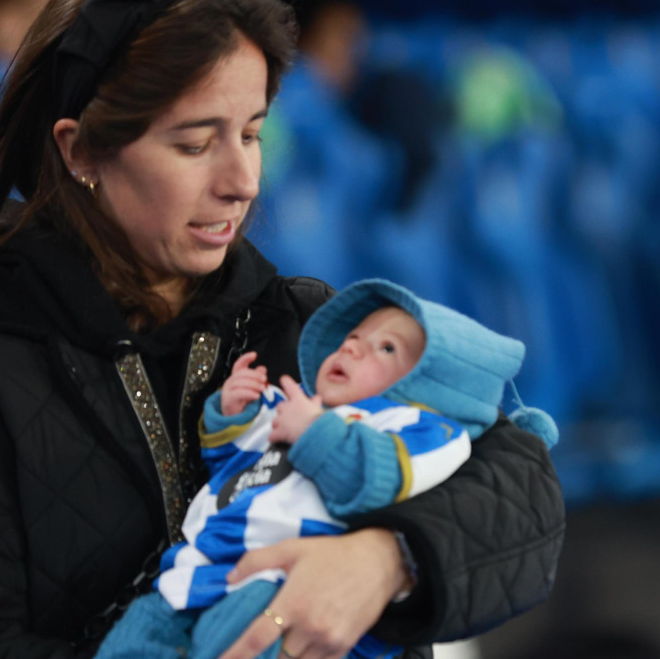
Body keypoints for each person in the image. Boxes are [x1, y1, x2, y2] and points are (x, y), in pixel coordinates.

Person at [0, 0, 566, 659]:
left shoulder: (309, 327)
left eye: (252, 134)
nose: (243, 181)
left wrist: (387, 560)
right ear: (81, 151)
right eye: (196, 144)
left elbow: (520, 484)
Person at [96, 278, 558, 659]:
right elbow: (235, 471)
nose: (352, 349)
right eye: (351, 339)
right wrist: (231, 417)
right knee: (134, 637)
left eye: (386, 349)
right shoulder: (302, 405)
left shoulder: (420, 428)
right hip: (203, 570)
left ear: (431, 384)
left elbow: (375, 477)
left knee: (232, 642)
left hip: (287, 584)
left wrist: (315, 433)